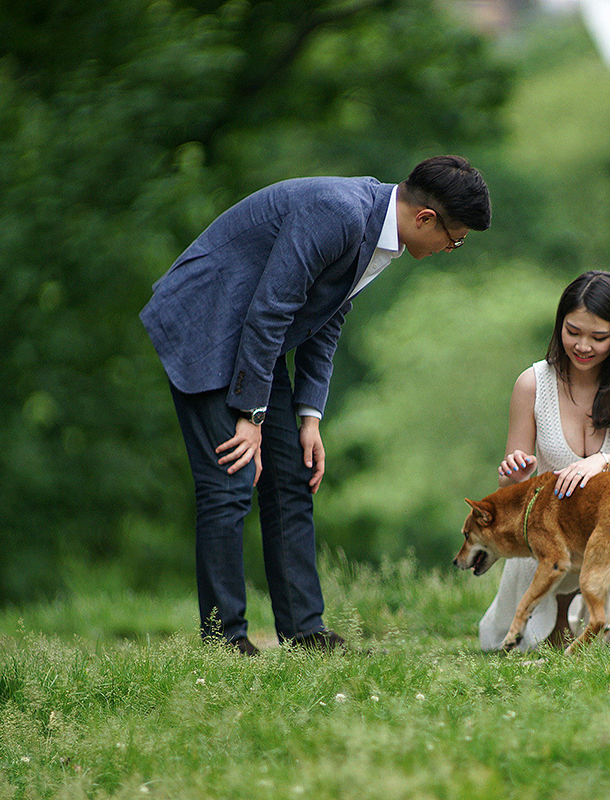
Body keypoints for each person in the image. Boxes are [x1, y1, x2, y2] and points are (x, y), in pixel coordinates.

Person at [141, 155, 491, 654]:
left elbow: (325, 318)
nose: (449, 250)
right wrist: (251, 415)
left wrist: (309, 416)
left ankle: (305, 632)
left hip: (253, 340)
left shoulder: (380, 232)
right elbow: (271, 308)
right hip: (208, 325)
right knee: (230, 480)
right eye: (454, 240)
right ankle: (224, 642)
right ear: (425, 219)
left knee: (293, 473)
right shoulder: (340, 212)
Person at [478, 270, 610, 651]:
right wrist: (515, 473)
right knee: (559, 529)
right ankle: (556, 623)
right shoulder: (532, 384)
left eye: (598, 337)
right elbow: (509, 492)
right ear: (559, 325)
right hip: (557, 529)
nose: (582, 346)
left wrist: (602, 461)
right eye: (572, 331)